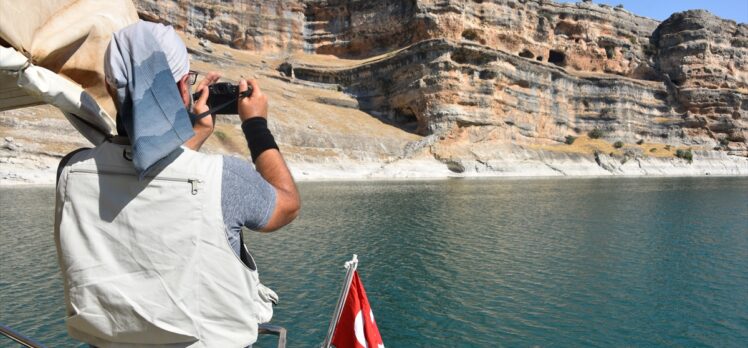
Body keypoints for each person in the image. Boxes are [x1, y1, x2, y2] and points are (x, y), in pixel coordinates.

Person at [53, 21, 299, 347]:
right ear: (184, 87)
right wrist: (255, 125)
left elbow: (144, 177)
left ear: (111, 90)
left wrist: (193, 134)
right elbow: (287, 205)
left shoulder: (71, 171)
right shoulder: (224, 177)